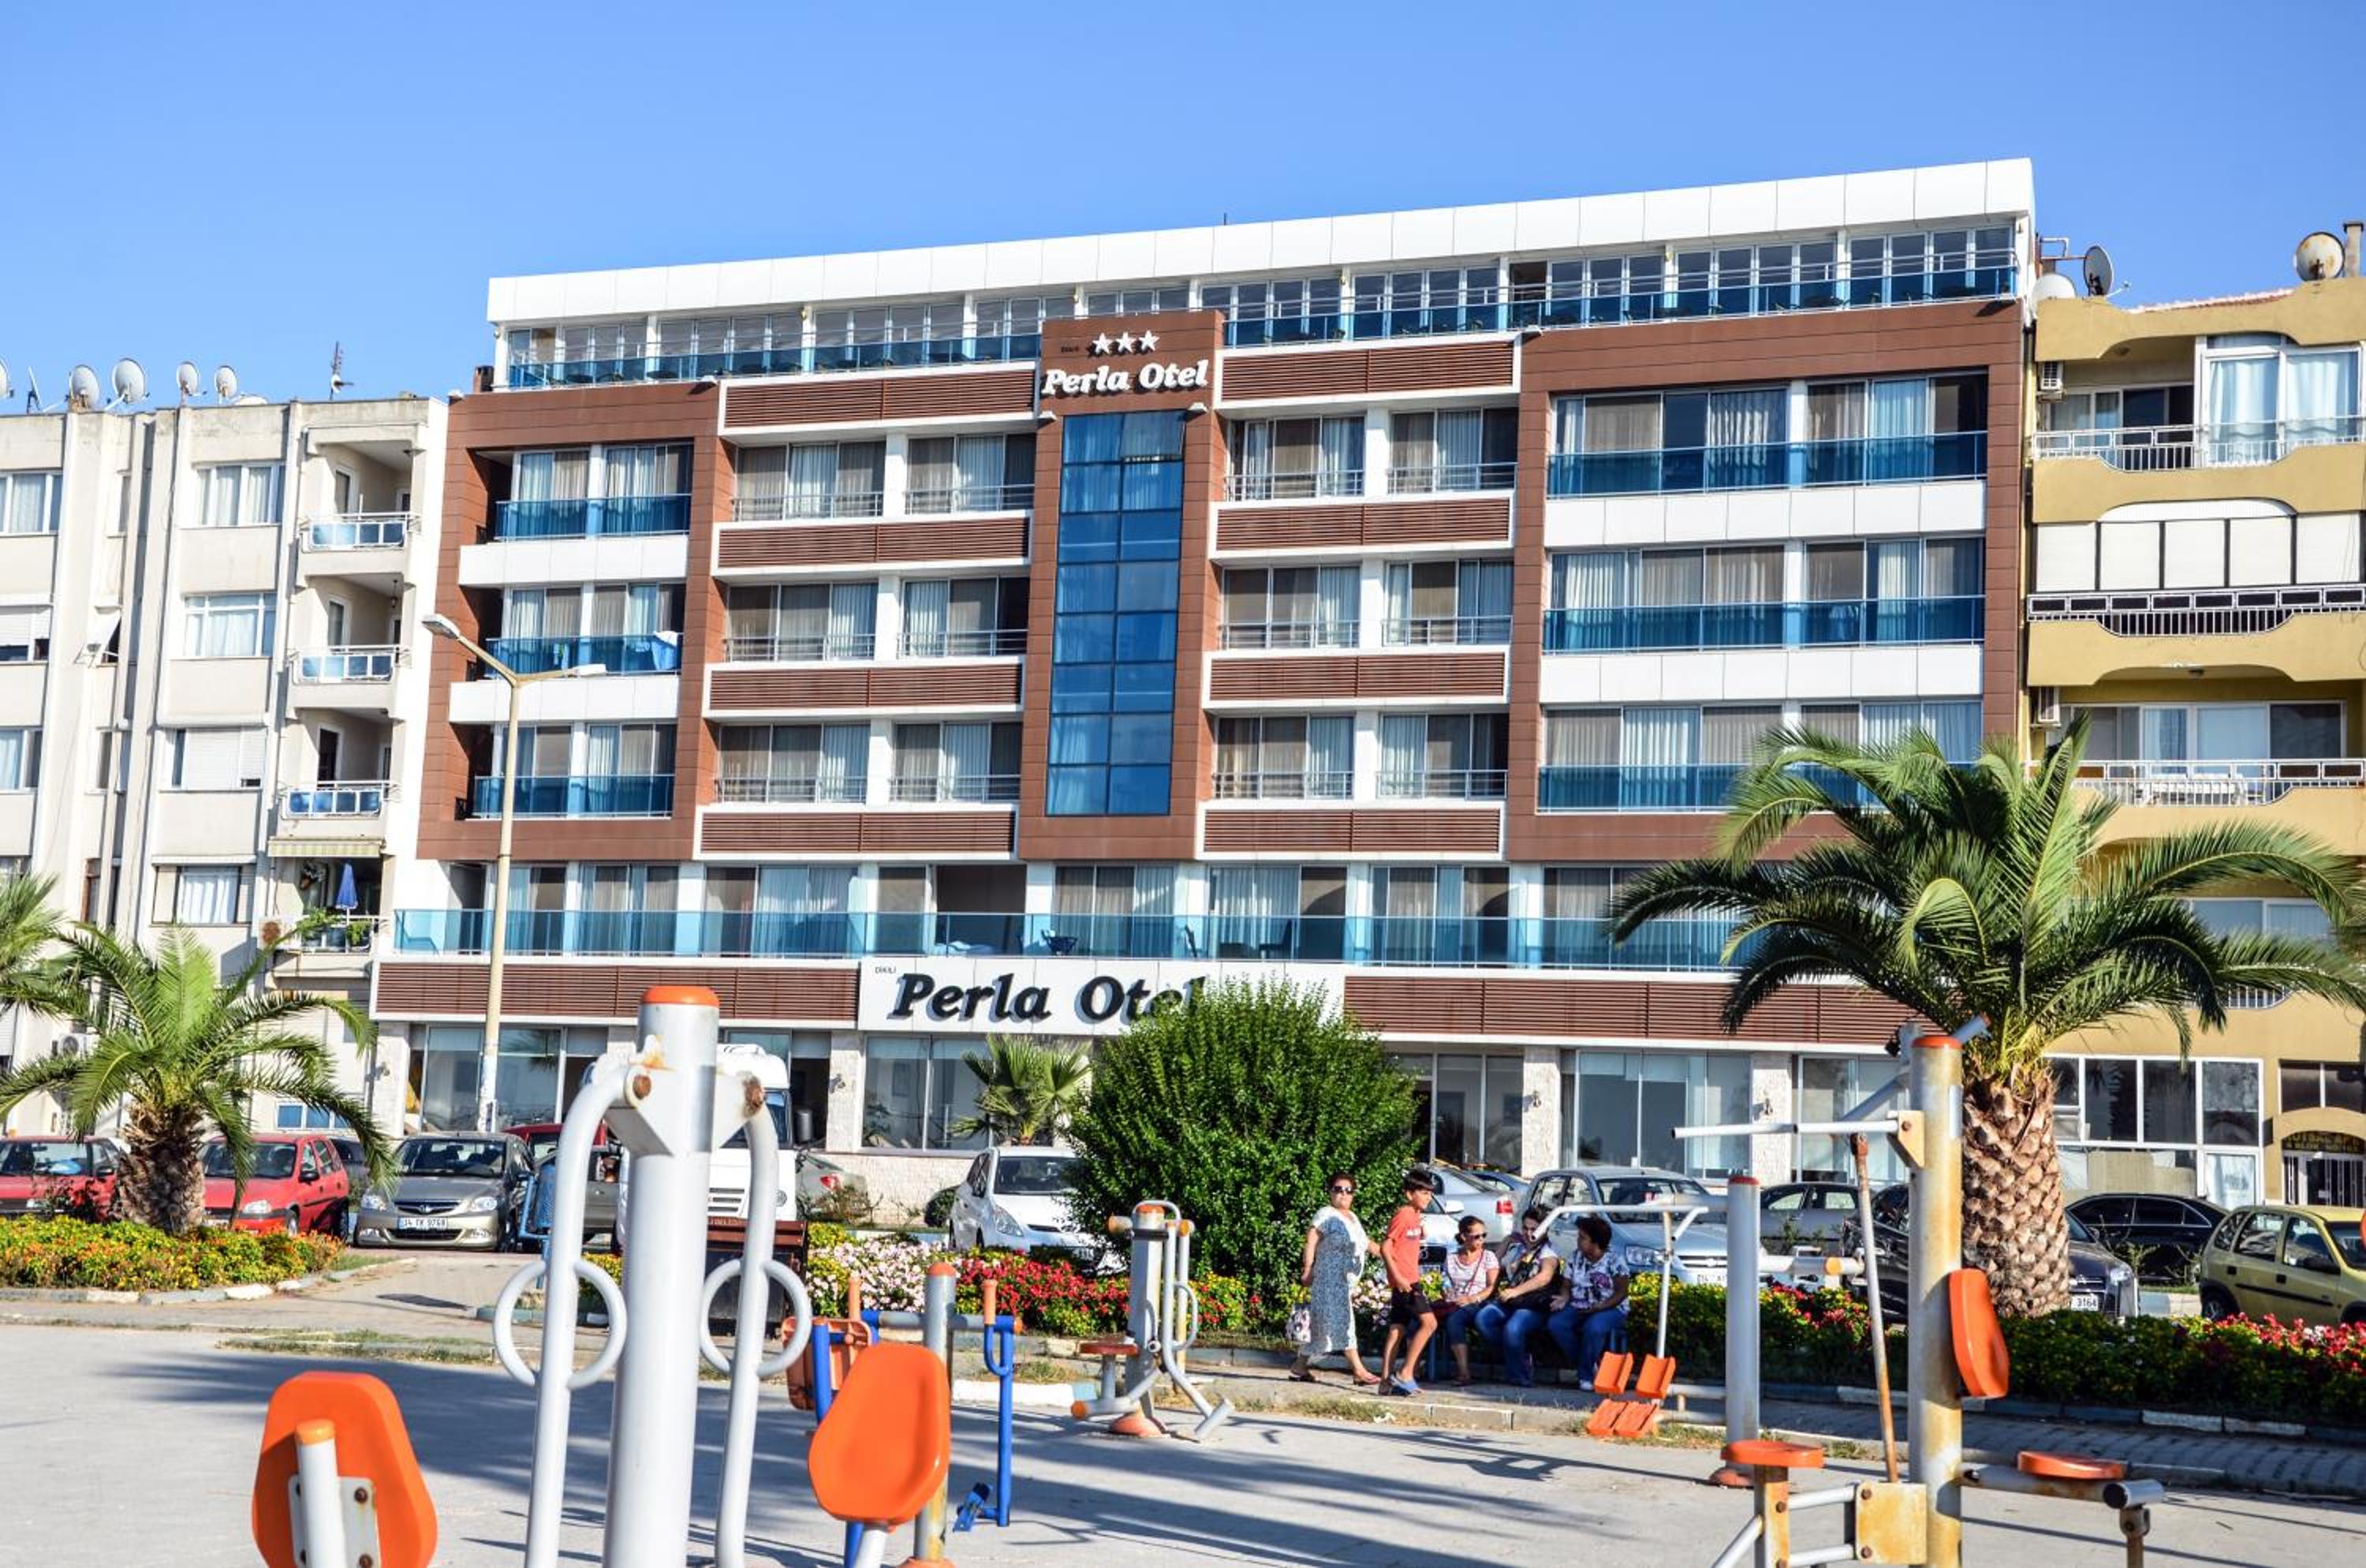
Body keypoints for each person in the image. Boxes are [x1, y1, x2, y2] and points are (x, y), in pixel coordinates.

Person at [1292, 1173, 1381, 1386]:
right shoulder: (1326, 1213)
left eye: (1348, 1190)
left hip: (1344, 1282)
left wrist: (1389, 1255)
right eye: (1338, 1189)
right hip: (1329, 1280)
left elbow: (1366, 1243)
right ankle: (1359, 1371)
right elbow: (1312, 1239)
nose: (1343, 1194)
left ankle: (1299, 1367)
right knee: (1345, 1323)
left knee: (1321, 1325)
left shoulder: (1353, 1218)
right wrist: (1308, 1268)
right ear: (1330, 1192)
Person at [1475, 1204, 1562, 1387]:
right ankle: (1519, 1355)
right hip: (1512, 1302)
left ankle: (1520, 1375)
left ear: (1544, 1230)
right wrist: (1507, 1241)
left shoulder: (1549, 1251)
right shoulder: (1518, 1248)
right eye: (1525, 1228)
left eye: (1534, 1229)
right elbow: (1492, 1265)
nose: (1528, 1233)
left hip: (1534, 1305)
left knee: (1513, 1328)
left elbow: (1544, 1277)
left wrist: (1516, 1291)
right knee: (1484, 1319)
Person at [1548, 1215, 1631, 1383]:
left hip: (1611, 1307)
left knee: (1594, 1327)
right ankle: (1587, 1364)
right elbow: (1566, 1285)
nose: (1578, 1241)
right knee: (1556, 1324)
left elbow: (1621, 1293)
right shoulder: (1575, 1257)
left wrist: (1600, 1307)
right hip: (1580, 1304)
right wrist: (1564, 1297)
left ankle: (1585, 1375)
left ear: (1595, 1242)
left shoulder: (1615, 1260)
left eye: (1583, 1238)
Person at [1378, 1168, 1438, 1397]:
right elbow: (1386, 1247)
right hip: (1406, 1281)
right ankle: (1405, 1373)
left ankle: (1385, 1383)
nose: (1428, 1197)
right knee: (1430, 1323)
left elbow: (1410, 1241)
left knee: (1397, 1329)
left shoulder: (1414, 1215)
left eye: (1430, 1193)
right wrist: (1398, 1277)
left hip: (1407, 1279)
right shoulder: (1404, 1213)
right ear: (1409, 1194)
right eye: (1423, 1193)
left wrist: (1421, 1228)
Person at [1433, 1217, 1502, 1386]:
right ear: (1464, 1237)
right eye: (1477, 1236)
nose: (1481, 1240)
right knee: (1421, 1317)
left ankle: (1464, 1372)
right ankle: (1415, 1368)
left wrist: (1472, 1298)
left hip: (1479, 1302)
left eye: (1484, 1235)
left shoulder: (1488, 1257)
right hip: (1454, 1302)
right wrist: (1447, 1292)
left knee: (1455, 1320)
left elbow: (1491, 1287)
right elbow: (1445, 1282)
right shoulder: (1451, 1258)